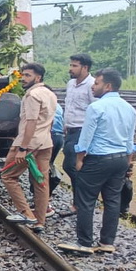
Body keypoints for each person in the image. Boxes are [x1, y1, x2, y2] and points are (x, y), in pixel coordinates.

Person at [58, 68, 136, 255]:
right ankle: (107, 242)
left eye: (97, 83)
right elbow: (130, 141)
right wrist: (129, 163)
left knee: (86, 200)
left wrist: (79, 159)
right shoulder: (129, 108)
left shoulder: (96, 107)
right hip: (120, 160)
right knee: (112, 201)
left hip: (98, 159)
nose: (93, 86)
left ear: (107, 86)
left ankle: (84, 242)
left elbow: (85, 137)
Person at [2, 63, 57, 232]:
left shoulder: (32, 95)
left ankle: (27, 213)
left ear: (38, 77)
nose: (23, 79)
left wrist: (23, 148)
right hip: (45, 142)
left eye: (27, 75)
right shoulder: (50, 94)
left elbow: (31, 122)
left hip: (28, 144)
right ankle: (40, 221)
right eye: (22, 75)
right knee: (41, 181)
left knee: (8, 176)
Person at [62, 53, 96, 211]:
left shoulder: (92, 85)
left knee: (71, 166)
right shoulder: (71, 84)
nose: (71, 69)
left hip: (82, 131)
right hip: (70, 130)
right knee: (71, 166)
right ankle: (81, 200)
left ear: (85, 67)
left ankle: (81, 201)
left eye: (74, 66)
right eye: (71, 65)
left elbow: (95, 111)